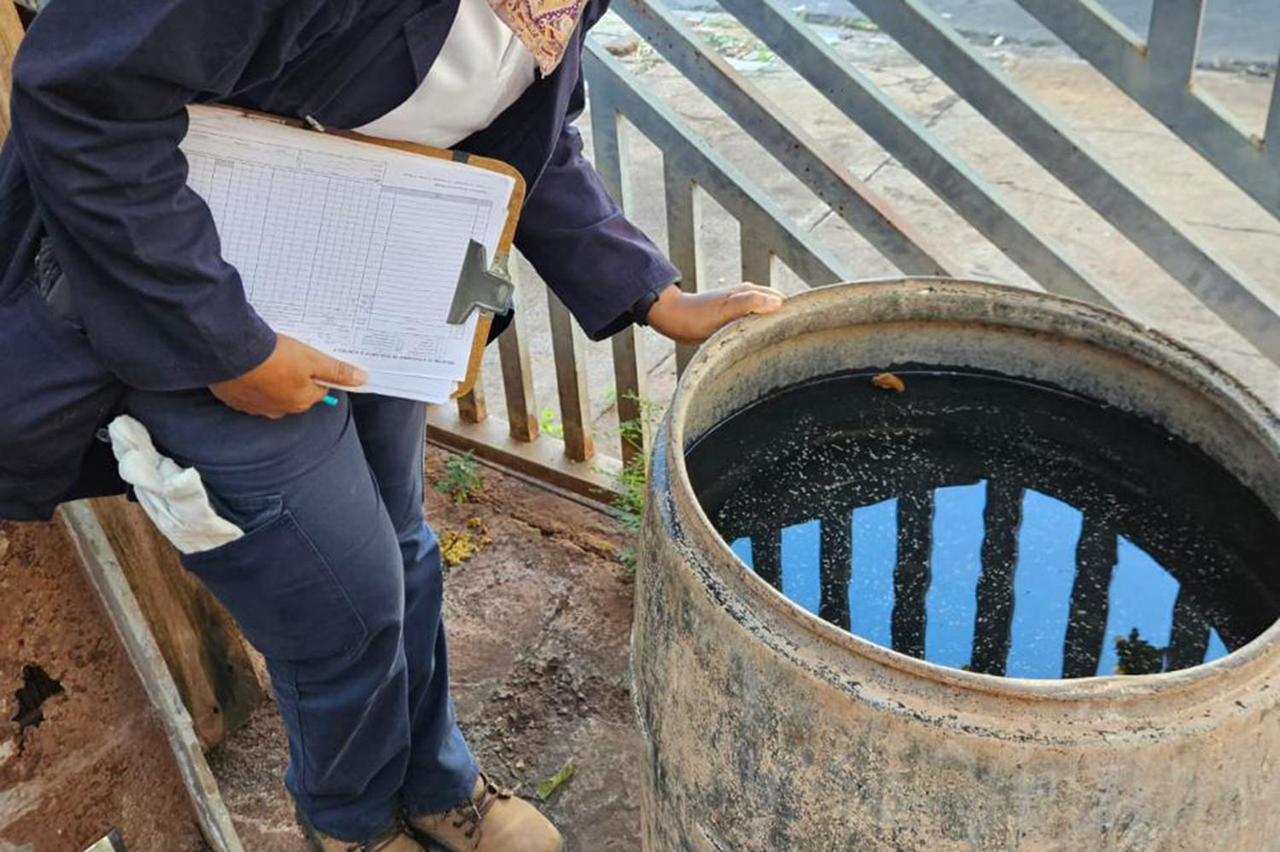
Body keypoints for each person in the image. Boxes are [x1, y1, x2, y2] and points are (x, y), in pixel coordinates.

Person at [0, 0, 782, 849]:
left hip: (377, 266)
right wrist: (228, 349)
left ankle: (437, 781)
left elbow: (530, 122)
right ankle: (352, 825)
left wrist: (655, 296)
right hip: (196, 285)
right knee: (341, 601)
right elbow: (81, 99)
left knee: (404, 546)